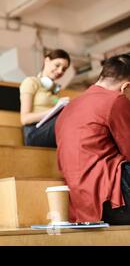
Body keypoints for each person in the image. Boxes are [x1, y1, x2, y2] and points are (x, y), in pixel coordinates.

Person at [56, 54, 130, 224]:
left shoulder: (67, 109)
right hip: (112, 197)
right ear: (127, 86)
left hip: (80, 203)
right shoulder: (116, 99)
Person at [19, 49, 70, 147]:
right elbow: (24, 119)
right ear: (46, 60)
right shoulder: (31, 82)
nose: (60, 71)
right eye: (57, 65)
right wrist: (54, 110)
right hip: (34, 132)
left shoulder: (55, 92)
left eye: (64, 69)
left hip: (51, 130)